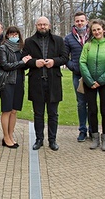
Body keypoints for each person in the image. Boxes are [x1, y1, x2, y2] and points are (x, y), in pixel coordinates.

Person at [22, 16, 68, 151]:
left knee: (53, 113)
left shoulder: (58, 40)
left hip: (53, 81)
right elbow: (24, 60)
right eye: (40, 25)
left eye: (45, 25)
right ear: (36, 25)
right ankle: (39, 139)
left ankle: (52, 140)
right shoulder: (29, 41)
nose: (43, 27)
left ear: (49, 26)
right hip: (37, 82)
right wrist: (34, 63)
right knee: (38, 114)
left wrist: (54, 62)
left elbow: (65, 57)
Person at [79, 19, 105, 151]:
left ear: (104, 30)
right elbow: (82, 62)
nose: (96, 32)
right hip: (89, 83)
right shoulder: (87, 45)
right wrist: (89, 80)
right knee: (92, 110)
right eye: (94, 30)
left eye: (98, 29)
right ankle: (94, 138)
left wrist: (100, 81)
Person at [0, 26, 31, 148]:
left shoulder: (21, 49)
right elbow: (5, 65)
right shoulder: (3, 48)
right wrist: (22, 62)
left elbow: (24, 66)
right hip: (7, 82)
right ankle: (5, 137)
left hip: (19, 82)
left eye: (16, 34)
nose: (14, 36)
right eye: (11, 34)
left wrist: (27, 61)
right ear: (7, 35)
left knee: (14, 111)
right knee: (6, 110)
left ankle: (11, 135)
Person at [64, 11, 90, 142]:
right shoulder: (69, 38)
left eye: (82, 20)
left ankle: (93, 129)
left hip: (92, 75)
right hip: (78, 76)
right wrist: (73, 66)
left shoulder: (93, 35)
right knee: (81, 103)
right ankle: (82, 130)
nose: (80, 23)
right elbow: (64, 56)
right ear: (74, 22)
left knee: (92, 103)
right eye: (77, 21)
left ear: (86, 21)